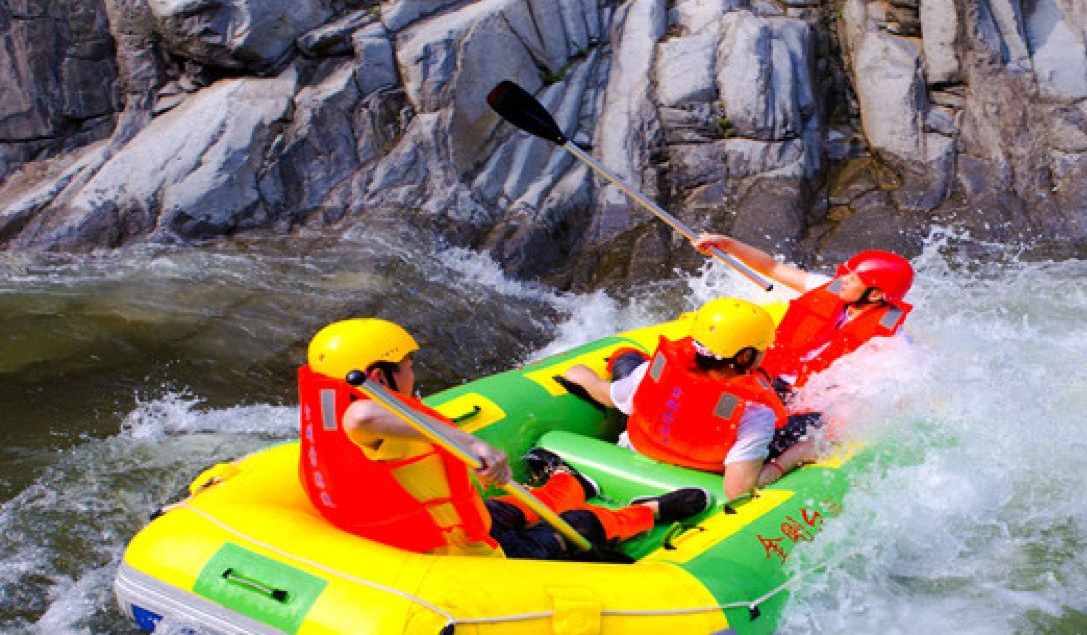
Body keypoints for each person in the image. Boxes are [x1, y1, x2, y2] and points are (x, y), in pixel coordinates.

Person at [298, 319, 707, 560]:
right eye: (406, 365)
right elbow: (362, 415)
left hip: (465, 519)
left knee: (510, 510)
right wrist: (472, 443)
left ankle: (572, 484)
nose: (412, 373)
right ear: (376, 375)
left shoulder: (356, 408)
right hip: (462, 553)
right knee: (575, 527)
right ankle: (648, 512)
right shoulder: (360, 417)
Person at [562, 298, 822, 500]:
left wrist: (584, 377)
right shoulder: (755, 412)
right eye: (761, 349)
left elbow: (609, 397)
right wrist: (793, 457)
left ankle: (621, 355)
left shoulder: (659, 369)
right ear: (744, 357)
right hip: (697, 481)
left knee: (630, 363)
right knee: (813, 423)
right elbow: (738, 490)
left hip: (637, 450)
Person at [690, 235, 914, 392]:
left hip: (798, 393)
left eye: (853, 279)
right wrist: (727, 245)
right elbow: (772, 267)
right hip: (768, 369)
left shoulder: (889, 341)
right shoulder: (832, 289)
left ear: (875, 295)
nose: (843, 280)